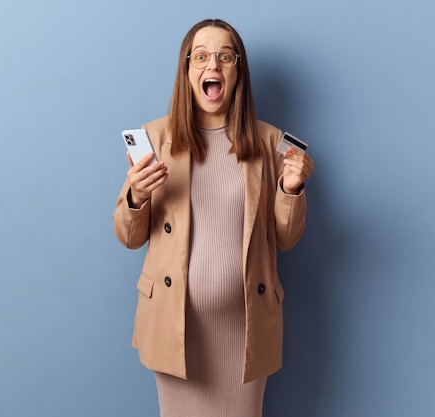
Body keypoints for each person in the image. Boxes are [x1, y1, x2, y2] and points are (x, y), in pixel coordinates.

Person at [113, 18, 314, 417]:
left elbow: (285, 239)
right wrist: (136, 194)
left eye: (225, 56)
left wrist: (291, 189)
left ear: (238, 71)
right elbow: (129, 237)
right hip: (174, 328)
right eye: (200, 56)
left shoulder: (270, 142)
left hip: (245, 332)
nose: (213, 66)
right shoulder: (155, 138)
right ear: (187, 70)